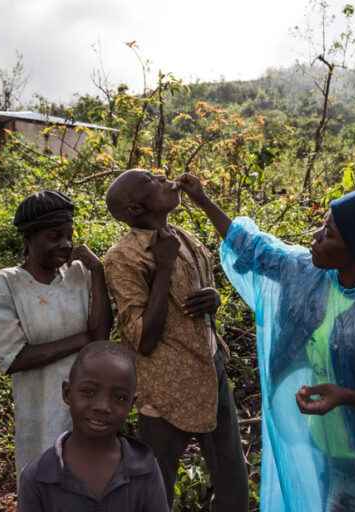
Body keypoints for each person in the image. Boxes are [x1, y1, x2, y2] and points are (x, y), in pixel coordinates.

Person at [177, 173, 355, 512]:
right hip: (329, 449)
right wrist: (202, 200)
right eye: (322, 226)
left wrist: (346, 396)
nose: (315, 238)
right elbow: (254, 248)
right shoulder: (312, 275)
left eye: (329, 233)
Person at [103, 169, 249, 511]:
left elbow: (201, 300)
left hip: (211, 369)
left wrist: (214, 298)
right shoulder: (123, 257)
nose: (165, 179)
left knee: (232, 475)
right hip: (165, 386)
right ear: (135, 209)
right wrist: (164, 268)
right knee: (157, 484)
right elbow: (142, 339)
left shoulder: (183, 236)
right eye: (151, 181)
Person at [0, 190, 112, 482]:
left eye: (69, 235)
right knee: (45, 484)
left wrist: (99, 271)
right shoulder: (7, 284)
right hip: (40, 416)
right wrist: (82, 340)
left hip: (88, 413)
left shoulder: (80, 273)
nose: (65, 244)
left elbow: (101, 337)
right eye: (54, 236)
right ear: (28, 239)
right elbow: (14, 357)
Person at [17, 341, 169, 511]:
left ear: (131, 404)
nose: (102, 406)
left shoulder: (144, 468)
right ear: (67, 393)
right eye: (89, 392)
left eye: (119, 397)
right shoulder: (38, 477)